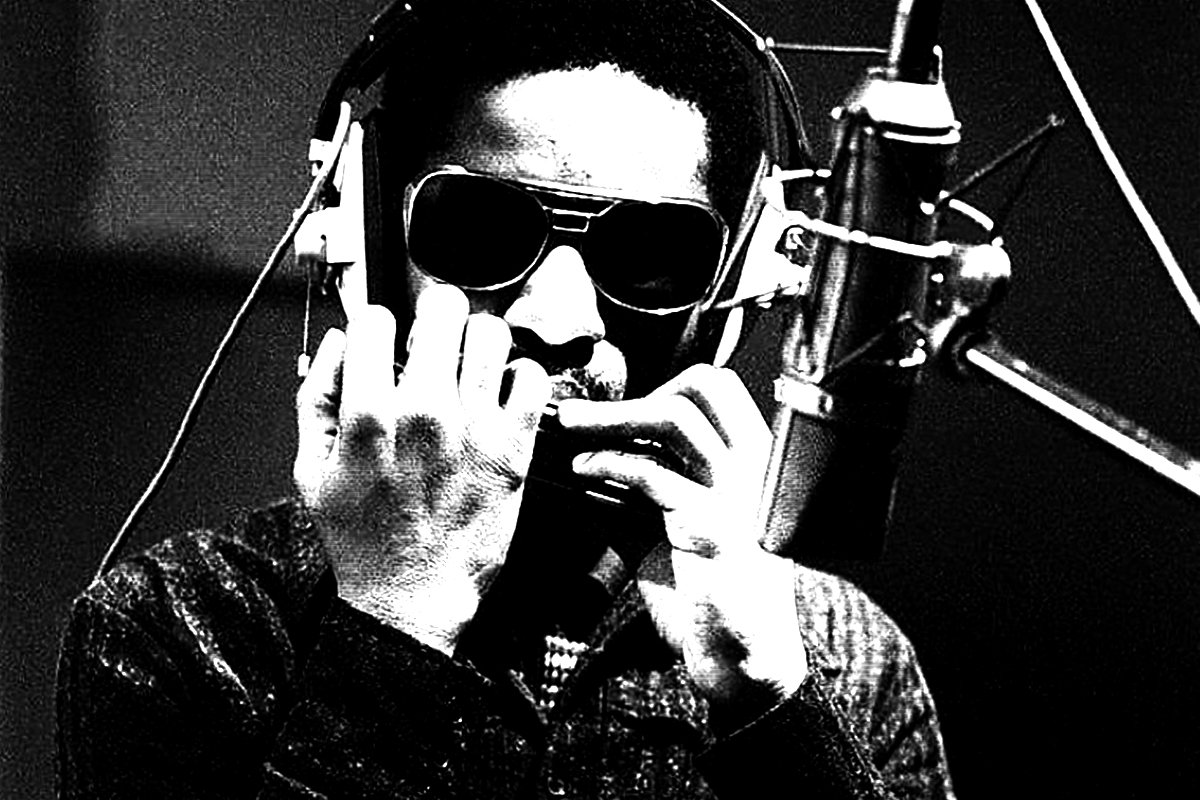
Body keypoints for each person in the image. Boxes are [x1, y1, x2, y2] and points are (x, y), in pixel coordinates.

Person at [56, 1, 955, 797]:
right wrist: (394, 625)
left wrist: (777, 711)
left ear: (735, 286)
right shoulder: (177, 627)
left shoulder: (845, 656)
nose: (557, 321)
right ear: (367, 241)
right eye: (483, 230)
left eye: (647, 252)